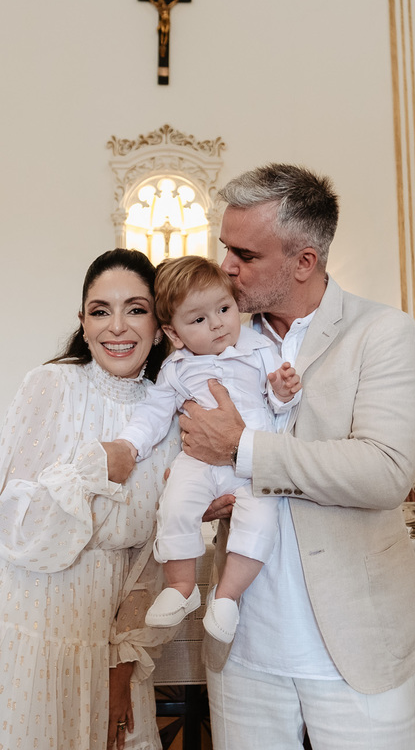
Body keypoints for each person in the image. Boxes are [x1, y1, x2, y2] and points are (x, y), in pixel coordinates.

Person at [177, 163, 415, 749]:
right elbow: (187, 440)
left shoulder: (382, 333)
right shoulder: (220, 336)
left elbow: (384, 472)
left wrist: (243, 449)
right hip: (244, 644)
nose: (227, 268)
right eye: (225, 248)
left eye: (246, 254)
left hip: (354, 643)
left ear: (304, 261)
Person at [0, 249, 179, 750]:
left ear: (159, 326)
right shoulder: (50, 385)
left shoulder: (167, 417)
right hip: (30, 625)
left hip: (109, 643)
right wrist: (92, 468)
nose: (117, 326)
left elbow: (149, 562)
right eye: (100, 310)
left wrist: (122, 672)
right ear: (83, 322)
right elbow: (13, 525)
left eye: (136, 309)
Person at [104, 255, 302, 644]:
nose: (217, 324)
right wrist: (128, 445)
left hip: (251, 463)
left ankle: (227, 595)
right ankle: (181, 586)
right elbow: (153, 414)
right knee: (175, 503)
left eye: (224, 309)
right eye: (198, 320)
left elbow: (281, 410)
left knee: (261, 519)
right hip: (196, 462)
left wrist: (282, 392)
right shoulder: (177, 368)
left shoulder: (259, 350)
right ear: (173, 333)